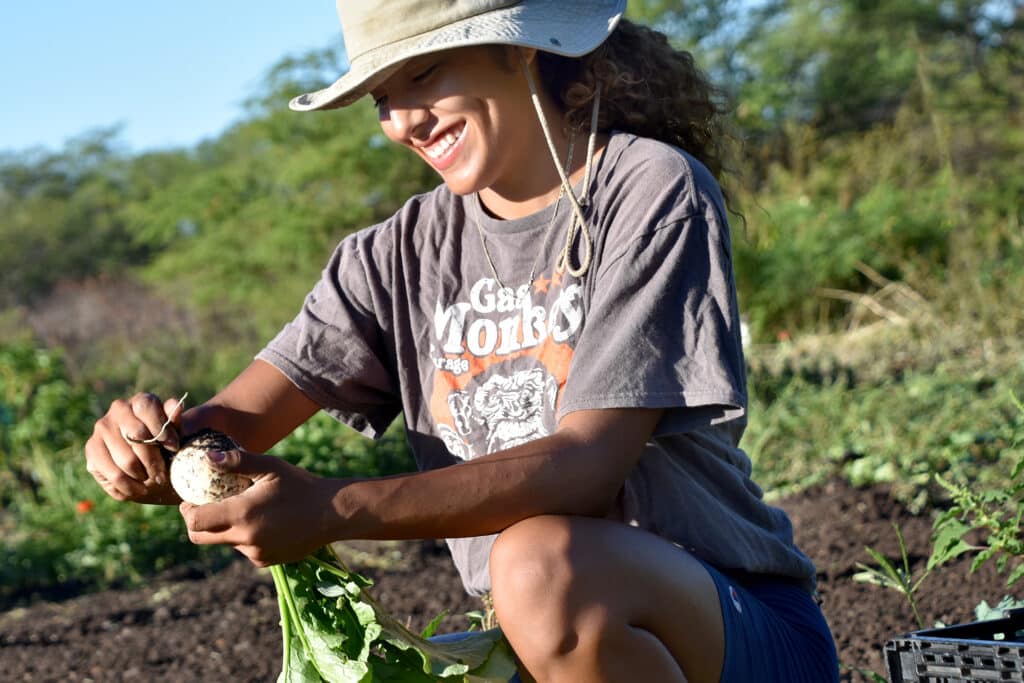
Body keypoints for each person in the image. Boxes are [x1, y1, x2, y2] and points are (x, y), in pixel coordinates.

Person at [84, 1, 839, 681]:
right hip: (544, 650)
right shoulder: (393, 256)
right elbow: (232, 426)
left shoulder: (647, 189)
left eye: (423, 74)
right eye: (384, 99)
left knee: (539, 565)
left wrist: (334, 507)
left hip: (736, 635)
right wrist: (152, 447)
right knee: (528, 586)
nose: (406, 119)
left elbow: (587, 466)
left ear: (518, 47)